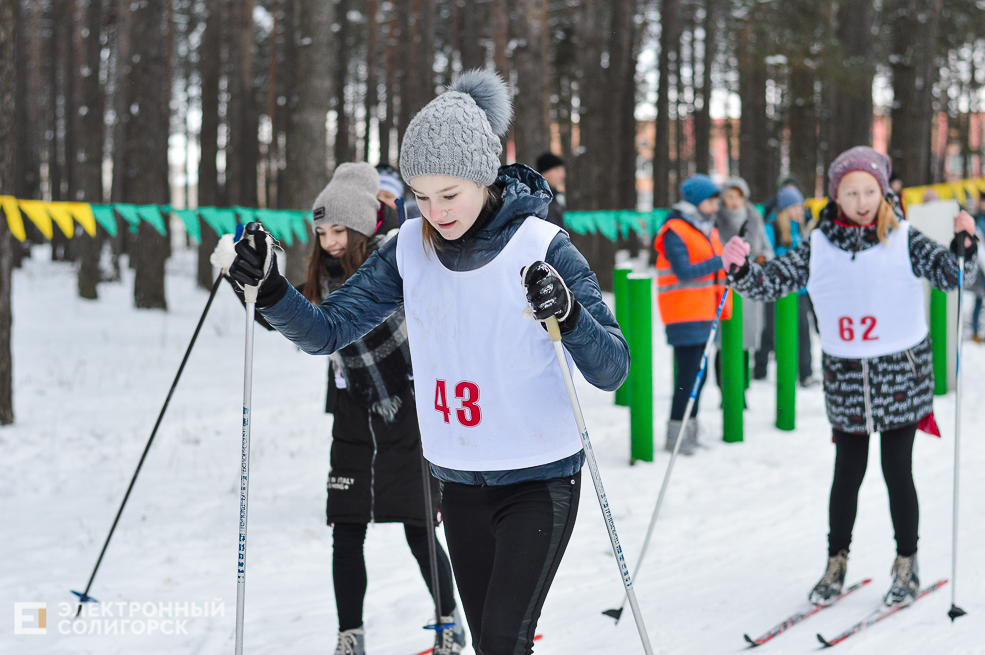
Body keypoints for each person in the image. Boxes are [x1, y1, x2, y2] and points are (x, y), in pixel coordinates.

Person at [220, 70, 628, 655]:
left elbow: (612, 369)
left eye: (450, 194)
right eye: (421, 195)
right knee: (491, 643)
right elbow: (327, 330)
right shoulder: (408, 247)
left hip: (539, 479)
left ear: (484, 176)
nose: (435, 212)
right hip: (457, 481)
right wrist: (272, 290)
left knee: (501, 642)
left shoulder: (541, 246)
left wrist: (569, 314)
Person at [721, 145, 977, 607]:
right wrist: (739, 269)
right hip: (845, 382)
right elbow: (769, 281)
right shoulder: (817, 244)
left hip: (902, 376)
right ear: (836, 196)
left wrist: (966, 247)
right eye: (851, 192)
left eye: (870, 191)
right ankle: (836, 560)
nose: (862, 201)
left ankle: (906, 560)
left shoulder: (903, 237)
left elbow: (953, 274)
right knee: (847, 473)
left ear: (883, 193)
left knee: (897, 470)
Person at [225, 163, 464, 655]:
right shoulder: (324, 272)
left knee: (419, 526)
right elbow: (300, 325)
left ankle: (448, 622)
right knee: (347, 526)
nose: (330, 241)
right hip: (353, 407)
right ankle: (349, 636)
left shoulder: (391, 259)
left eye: (339, 230)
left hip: (407, 406)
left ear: (361, 225)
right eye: (322, 232)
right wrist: (251, 284)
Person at [654, 174, 730, 455]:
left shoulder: (702, 227)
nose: (717, 204)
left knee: (699, 373)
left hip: (703, 312)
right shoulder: (676, 229)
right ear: (698, 200)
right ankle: (677, 435)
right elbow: (684, 271)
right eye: (712, 199)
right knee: (688, 377)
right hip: (683, 313)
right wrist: (720, 262)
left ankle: (690, 431)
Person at [754, 185, 816, 387]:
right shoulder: (773, 228)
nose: (800, 211)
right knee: (771, 330)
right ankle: (760, 368)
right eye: (795, 207)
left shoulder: (803, 229)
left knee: (804, 330)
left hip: (801, 291)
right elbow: (766, 256)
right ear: (785, 209)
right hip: (778, 291)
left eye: (801, 207)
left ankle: (805, 373)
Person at [715, 177, 774, 385]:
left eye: (738, 197)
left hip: (749, 286)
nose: (734, 201)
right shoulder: (717, 220)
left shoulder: (754, 217)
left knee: (747, 339)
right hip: (726, 285)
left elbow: (767, 247)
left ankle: (743, 388)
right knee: (726, 340)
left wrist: (762, 257)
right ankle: (726, 389)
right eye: (729, 196)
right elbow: (714, 251)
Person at [535, 152, 566, 227]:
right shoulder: (537, 198)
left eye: (563, 171)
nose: (562, 175)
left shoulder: (556, 197)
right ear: (544, 173)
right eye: (557, 170)